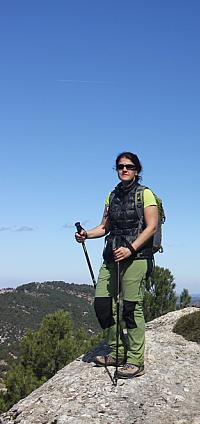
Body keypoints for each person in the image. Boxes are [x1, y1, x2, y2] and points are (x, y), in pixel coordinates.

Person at [75, 152, 158, 378]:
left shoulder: (145, 194)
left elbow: (151, 226)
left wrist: (131, 248)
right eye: (120, 166)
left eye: (129, 166)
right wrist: (86, 234)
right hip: (112, 257)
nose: (124, 169)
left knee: (130, 309)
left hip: (137, 258)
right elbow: (105, 227)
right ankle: (117, 350)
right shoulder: (111, 196)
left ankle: (135, 361)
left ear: (137, 170)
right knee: (102, 305)